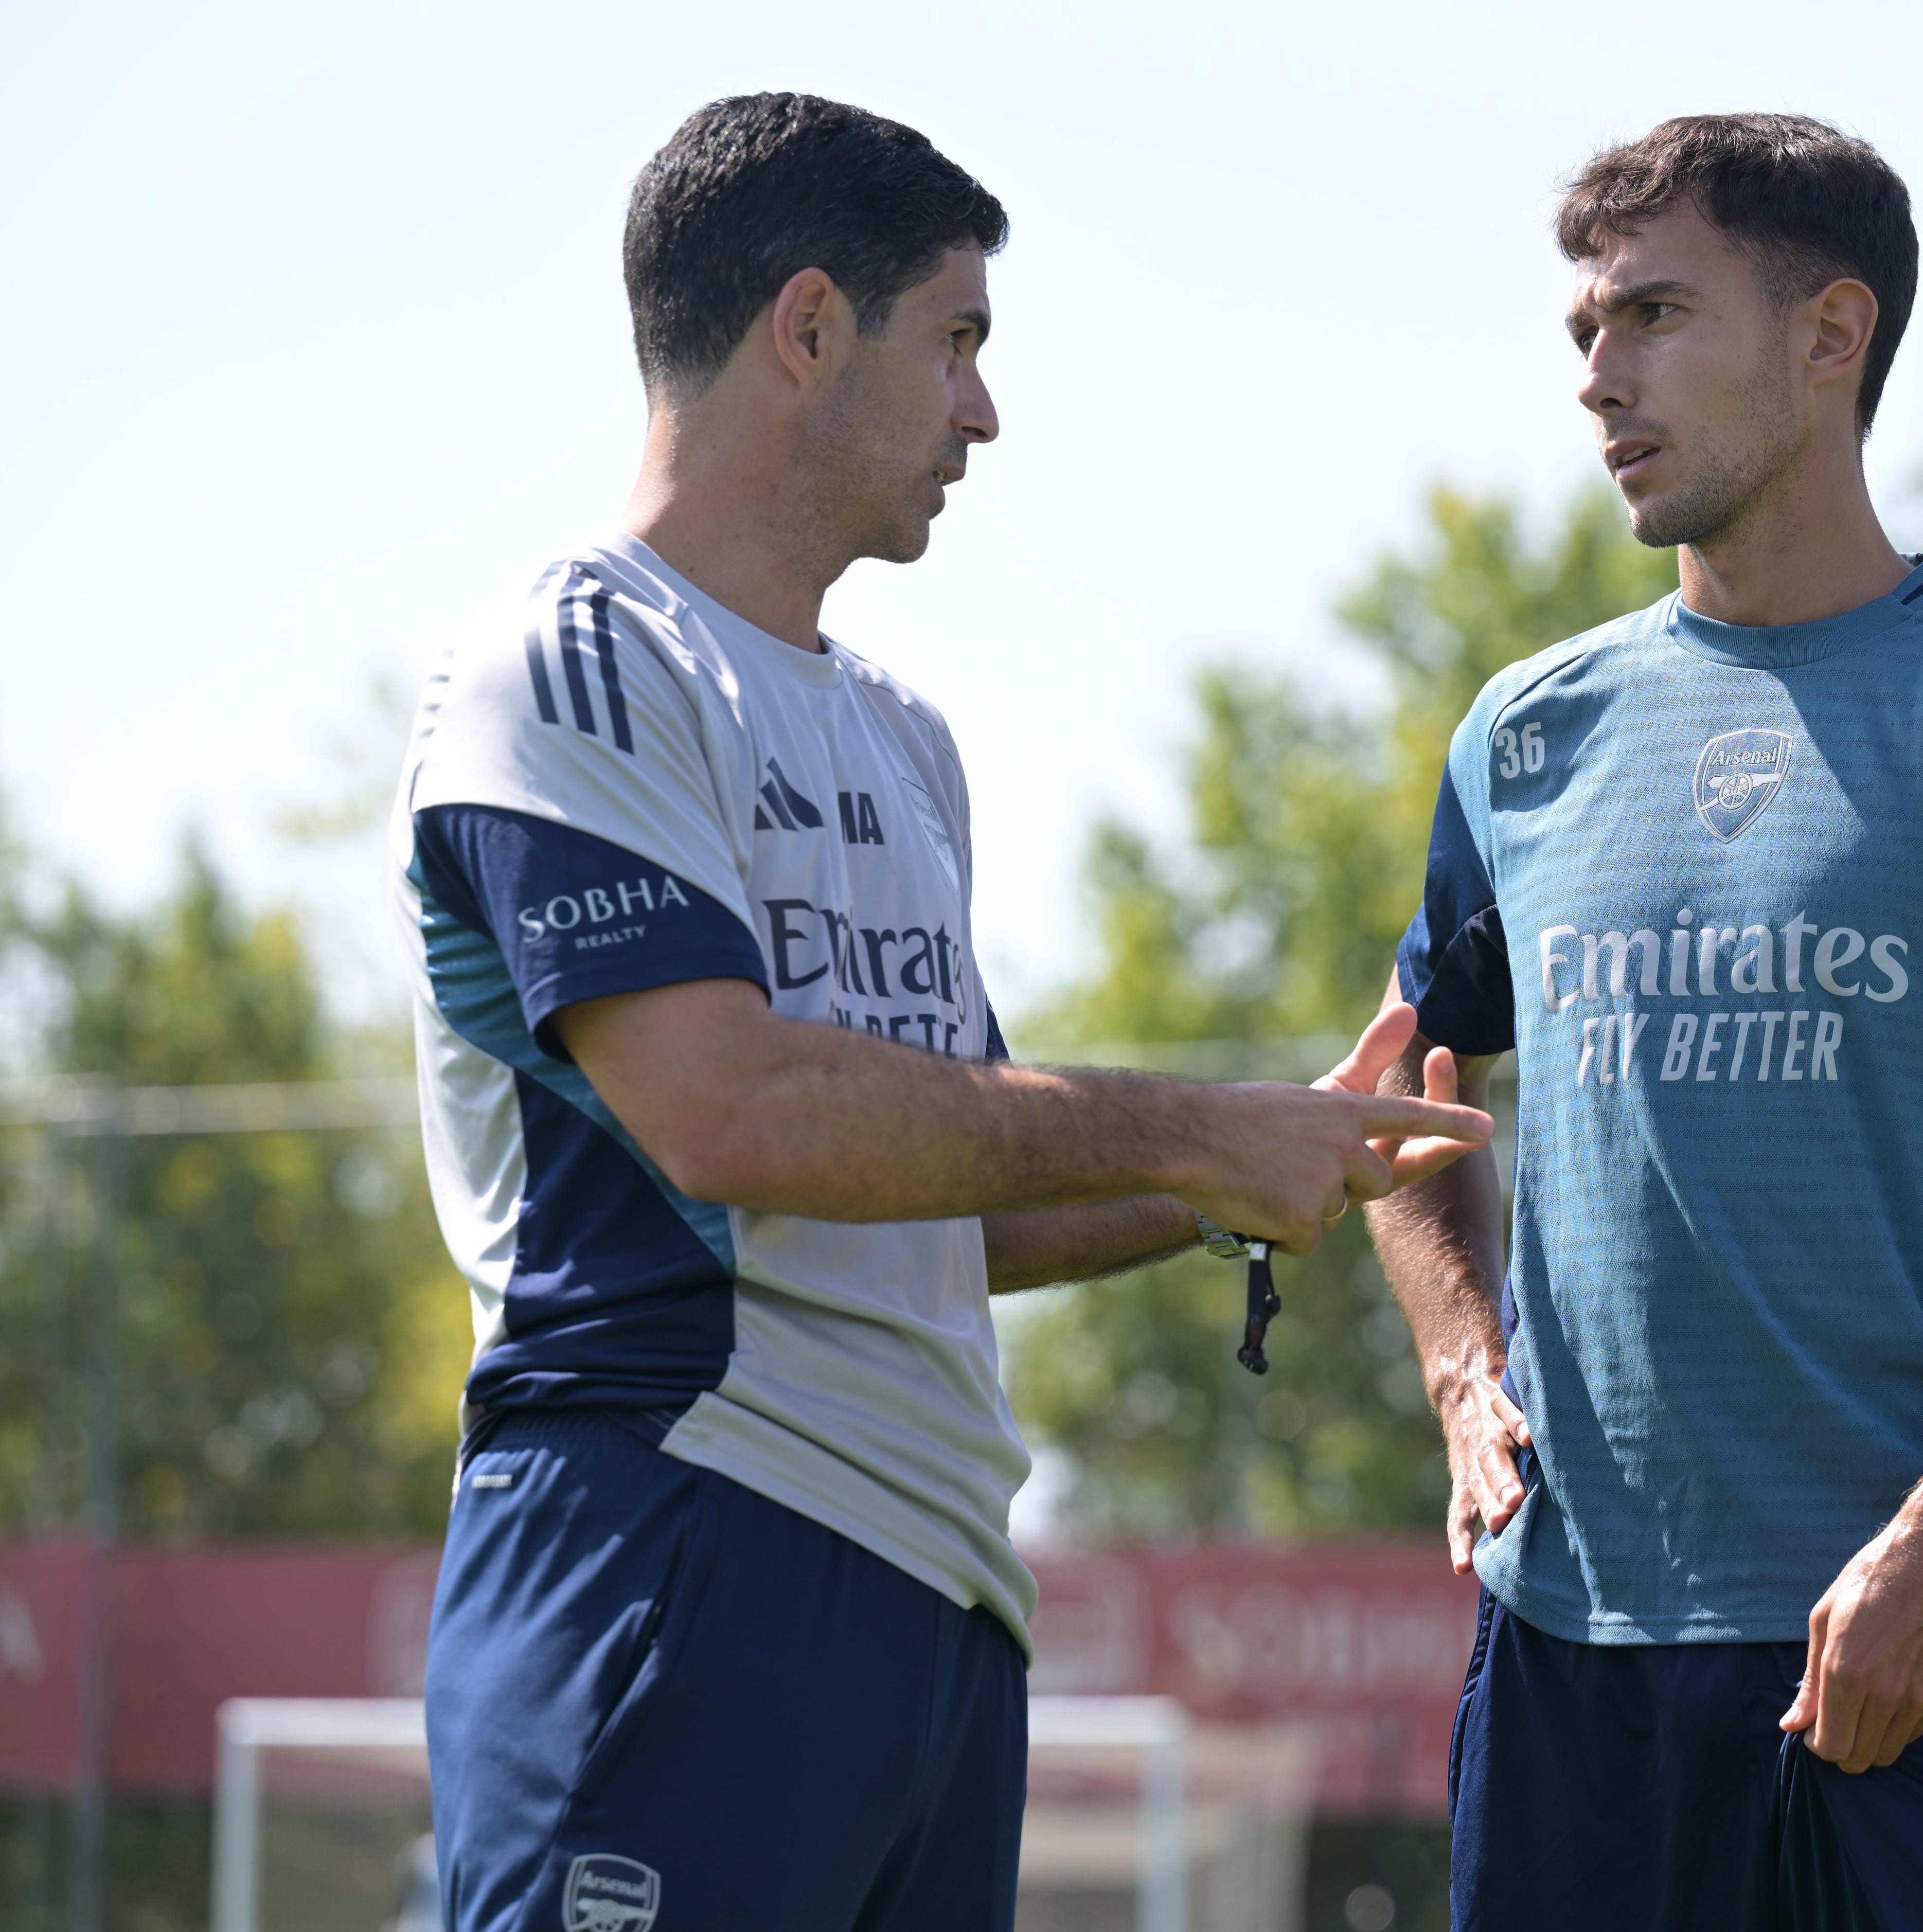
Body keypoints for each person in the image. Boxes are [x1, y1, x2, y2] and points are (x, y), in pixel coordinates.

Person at [390, 93, 1488, 1932]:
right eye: (958, 341)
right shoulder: (572, 654)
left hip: (944, 1606)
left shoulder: (907, 738)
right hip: (681, 1539)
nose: (984, 411)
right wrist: (1188, 1126)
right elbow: (728, 1109)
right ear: (808, 326)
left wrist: (1267, 1160)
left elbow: (945, 1181)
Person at [1364, 114, 1923, 1931]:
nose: (1601, 378)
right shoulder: (1524, 737)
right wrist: (1459, 1368)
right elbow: (1397, 1110)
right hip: (1566, 1655)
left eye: (1657, 316)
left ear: (1834, 336)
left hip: (1907, 1645)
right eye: (1585, 332)